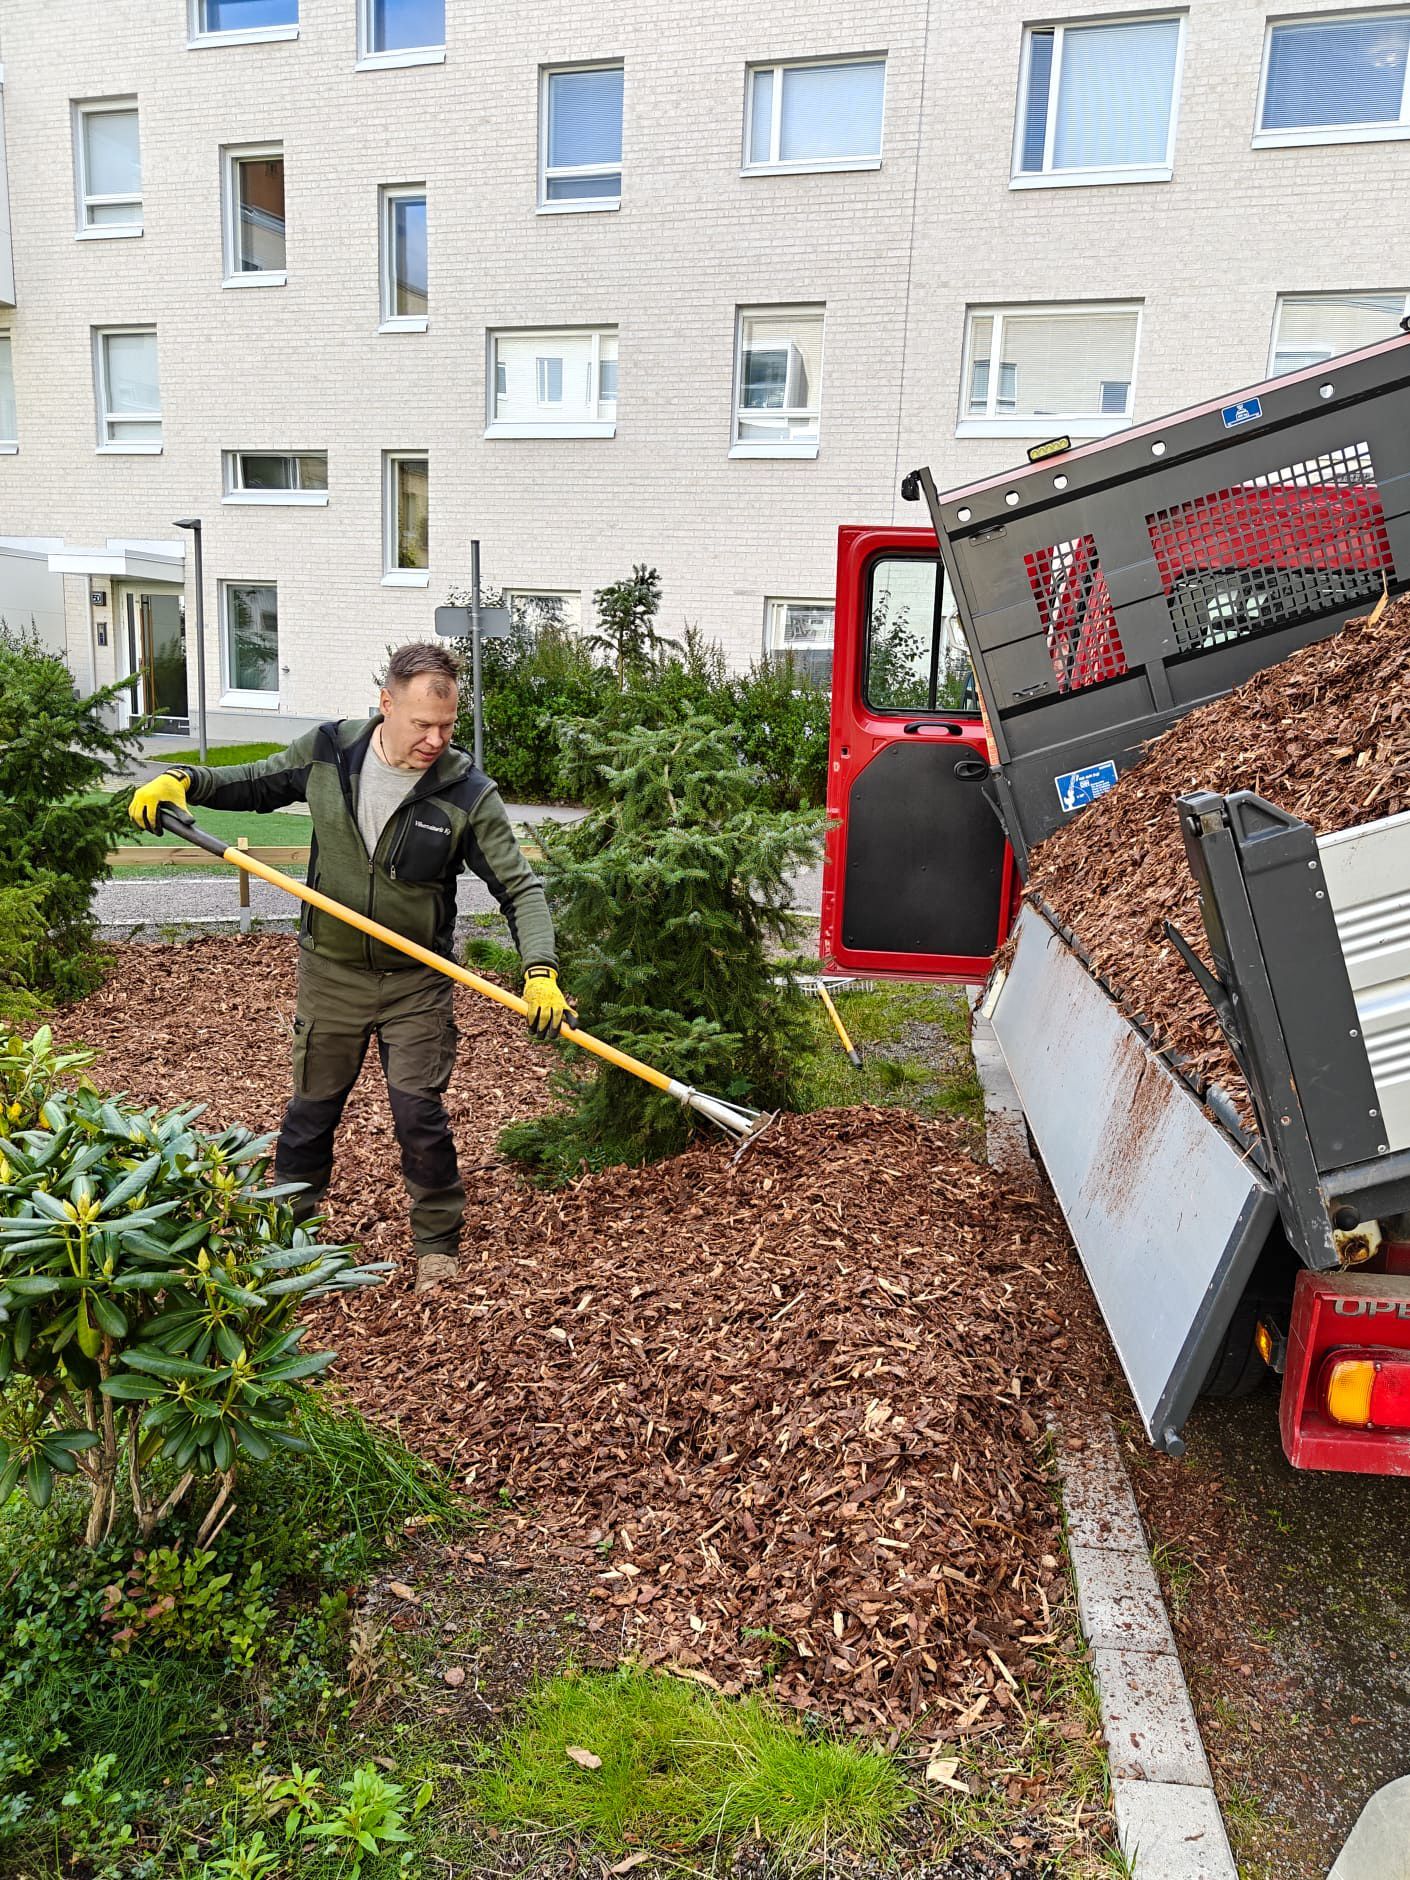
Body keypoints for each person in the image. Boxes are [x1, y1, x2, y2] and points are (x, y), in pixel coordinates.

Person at [126, 640, 568, 1292]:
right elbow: (250, 782)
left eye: (447, 726)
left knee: (419, 1115)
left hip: (415, 982)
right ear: (386, 704)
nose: (435, 740)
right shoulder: (329, 753)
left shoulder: (466, 792)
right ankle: (287, 1236)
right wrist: (183, 780)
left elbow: (520, 889)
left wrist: (540, 971)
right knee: (312, 1110)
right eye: (422, 724)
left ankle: (437, 1245)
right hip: (331, 970)